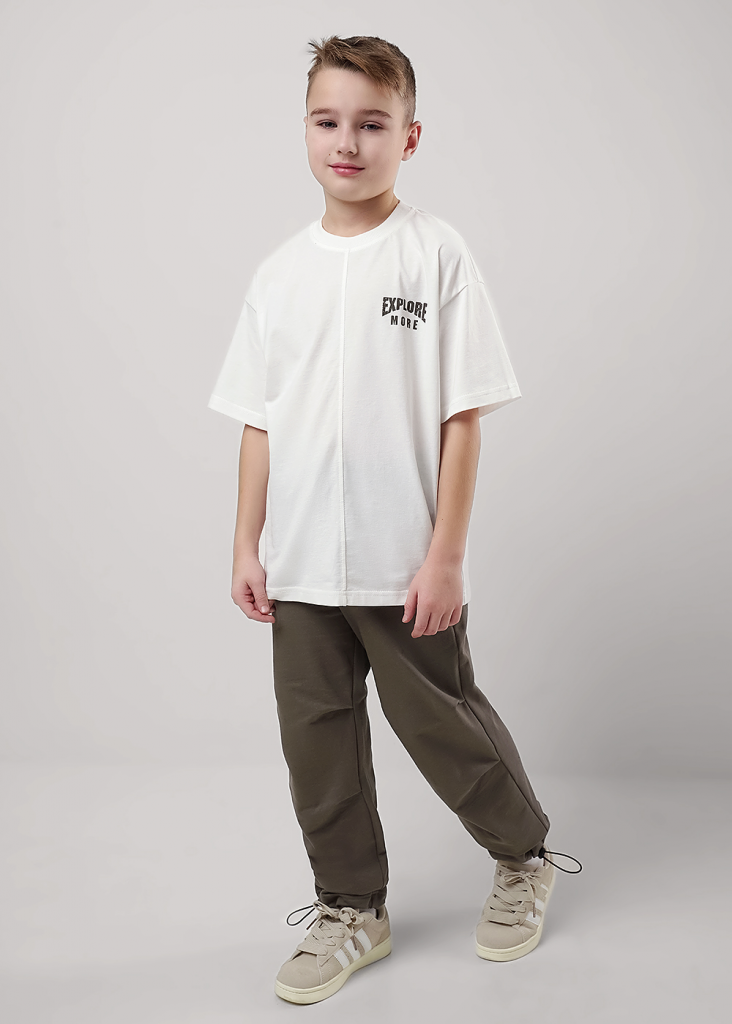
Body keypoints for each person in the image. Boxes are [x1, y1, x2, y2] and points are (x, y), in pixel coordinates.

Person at [207, 34, 581, 1006]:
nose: (348, 142)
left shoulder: (434, 254)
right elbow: (259, 421)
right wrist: (246, 543)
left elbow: (463, 417)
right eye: (329, 121)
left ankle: (524, 856)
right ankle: (350, 908)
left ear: (410, 138)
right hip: (300, 569)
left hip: (404, 560)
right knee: (318, 748)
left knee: (443, 727)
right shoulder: (278, 275)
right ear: (305, 130)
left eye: (372, 124)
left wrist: (445, 555)